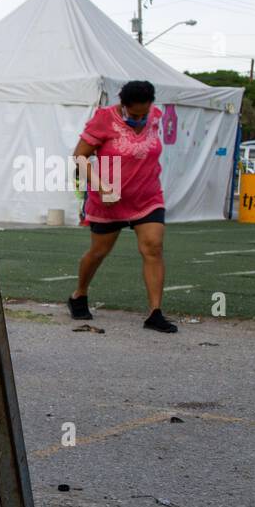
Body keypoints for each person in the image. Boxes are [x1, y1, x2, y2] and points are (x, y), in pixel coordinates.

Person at [68, 80, 177, 333]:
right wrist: (101, 185)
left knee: (153, 247)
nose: (140, 118)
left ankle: (155, 313)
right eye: (134, 114)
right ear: (123, 106)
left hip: (147, 197)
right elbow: (79, 156)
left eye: (144, 113)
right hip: (109, 199)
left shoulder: (156, 117)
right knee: (98, 252)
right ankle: (79, 294)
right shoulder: (103, 119)